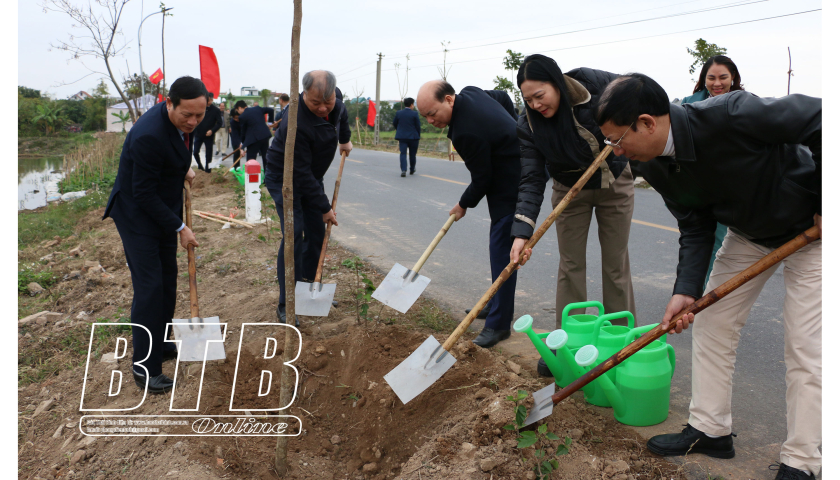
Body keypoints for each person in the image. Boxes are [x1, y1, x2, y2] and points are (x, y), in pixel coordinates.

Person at [596, 73, 821, 480]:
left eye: (617, 140)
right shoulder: (652, 165)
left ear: (647, 123)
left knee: (806, 345)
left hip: (814, 230)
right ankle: (710, 429)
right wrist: (686, 290)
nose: (616, 151)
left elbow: (821, 118)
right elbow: (695, 222)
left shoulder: (732, 113)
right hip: (748, 235)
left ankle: (802, 461)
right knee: (713, 322)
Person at [509, 54, 637, 376]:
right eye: (528, 99)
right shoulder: (528, 124)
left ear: (557, 83)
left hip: (613, 180)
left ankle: (620, 343)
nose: (535, 105)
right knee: (571, 265)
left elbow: (635, 92)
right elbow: (531, 178)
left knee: (615, 264)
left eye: (540, 95)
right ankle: (568, 343)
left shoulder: (594, 84)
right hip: (569, 190)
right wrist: (522, 232)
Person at [102, 76, 205, 394]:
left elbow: (174, 150)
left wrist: (182, 168)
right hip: (137, 215)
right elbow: (143, 193)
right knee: (149, 288)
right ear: (168, 103)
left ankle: (159, 343)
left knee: (167, 280)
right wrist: (180, 228)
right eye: (187, 115)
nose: (193, 121)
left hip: (161, 209)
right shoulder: (149, 134)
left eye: (199, 115)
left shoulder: (184, 119)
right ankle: (144, 368)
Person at [416, 80, 520, 348]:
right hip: (506, 171)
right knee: (498, 246)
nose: (430, 121)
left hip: (514, 179)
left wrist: (462, 204)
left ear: (449, 99)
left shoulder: (465, 133)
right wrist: (515, 129)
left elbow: (482, 178)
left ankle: (498, 325)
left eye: (432, 114)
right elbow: (503, 96)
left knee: (502, 249)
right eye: (425, 116)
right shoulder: (471, 92)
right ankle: (494, 303)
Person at [264, 70, 352, 326]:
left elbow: (342, 116)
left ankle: (311, 287)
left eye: (328, 102)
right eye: (316, 103)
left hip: (311, 176)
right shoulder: (296, 122)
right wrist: (325, 207)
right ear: (303, 94)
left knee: (316, 233)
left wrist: (345, 140)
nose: (323, 108)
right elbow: (299, 173)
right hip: (285, 178)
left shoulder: (337, 104)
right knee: (293, 235)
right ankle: (286, 303)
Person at [680, 55, 745, 290]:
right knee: (697, 242)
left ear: (733, 78)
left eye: (723, 77)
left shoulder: (746, 103)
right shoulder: (687, 105)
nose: (717, 83)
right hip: (697, 186)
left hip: (731, 187)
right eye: (711, 78)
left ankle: (713, 294)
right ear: (703, 79)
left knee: (722, 244)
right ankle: (694, 292)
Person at [192, 93, 223, 172]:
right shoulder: (199, 108)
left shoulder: (216, 110)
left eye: (210, 100)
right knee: (195, 152)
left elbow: (219, 123)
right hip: (198, 134)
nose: (208, 102)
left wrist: (212, 130)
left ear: (212, 100)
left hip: (209, 135)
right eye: (207, 100)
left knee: (208, 154)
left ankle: (208, 170)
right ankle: (200, 166)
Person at [392, 96, 422, 177]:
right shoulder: (414, 114)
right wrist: (418, 135)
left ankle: (403, 170)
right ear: (411, 104)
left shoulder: (399, 113)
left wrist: (399, 130)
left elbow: (394, 123)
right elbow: (418, 126)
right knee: (412, 154)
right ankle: (412, 169)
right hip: (413, 137)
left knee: (403, 153)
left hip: (402, 137)